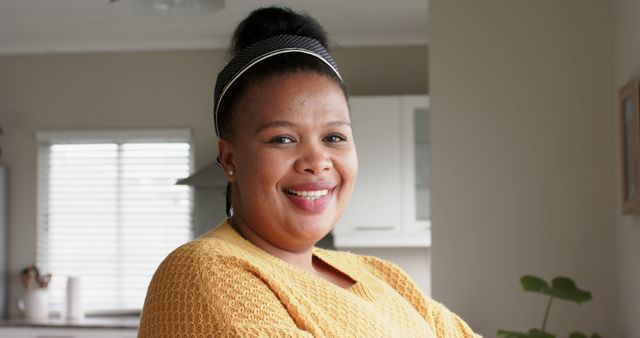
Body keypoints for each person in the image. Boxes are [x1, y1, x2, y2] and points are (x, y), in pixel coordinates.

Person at [138, 6, 479, 338]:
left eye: (334, 137)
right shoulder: (204, 272)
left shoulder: (383, 276)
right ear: (229, 160)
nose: (317, 161)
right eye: (283, 138)